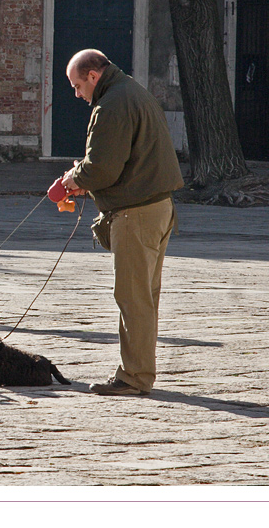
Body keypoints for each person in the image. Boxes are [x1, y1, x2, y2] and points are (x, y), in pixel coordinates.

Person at [60, 49, 184, 396]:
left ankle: (134, 378)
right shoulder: (131, 90)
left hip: (136, 213)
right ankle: (140, 372)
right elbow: (123, 160)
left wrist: (74, 178)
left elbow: (102, 168)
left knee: (132, 298)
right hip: (157, 207)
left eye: (77, 85)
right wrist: (87, 178)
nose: (76, 93)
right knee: (144, 298)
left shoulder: (113, 103)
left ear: (93, 77)